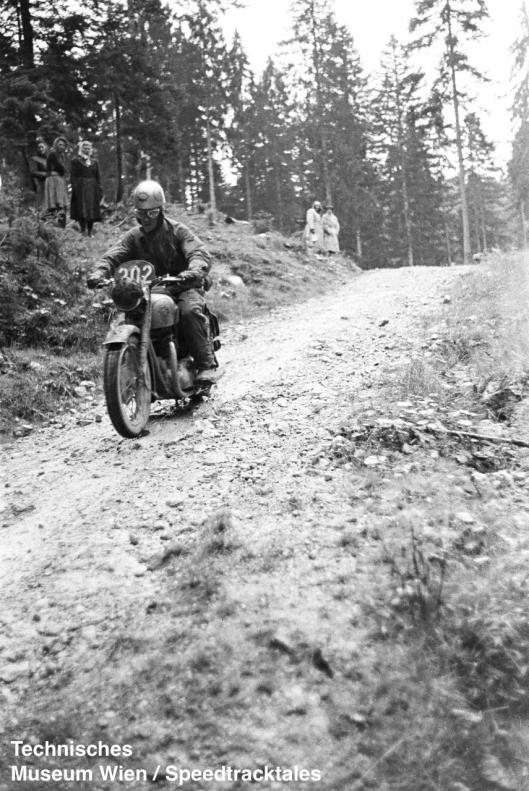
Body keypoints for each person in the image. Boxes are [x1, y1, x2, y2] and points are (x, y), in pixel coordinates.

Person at [86, 179, 219, 384]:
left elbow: (198, 252)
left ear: (161, 210)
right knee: (130, 314)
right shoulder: (133, 237)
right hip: (149, 290)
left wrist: (194, 271)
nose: (146, 218)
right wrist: (98, 272)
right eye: (141, 213)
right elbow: (112, 255)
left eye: (152, 212)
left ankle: (205, 365)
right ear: (136, 213)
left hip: (181, 286)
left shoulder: (178, 231)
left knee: (189, 311)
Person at [70, 140, 102, 236]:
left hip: (92, 188)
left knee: (91, 209)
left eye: (89, 148)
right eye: (85, 148)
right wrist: (75, 187)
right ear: (81, 149)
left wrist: (99, 188)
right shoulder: (75, 161)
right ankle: (83, 230)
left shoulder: (94, 162)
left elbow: (98, 176)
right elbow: (73, 176)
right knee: (81, 208)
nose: (87, 150)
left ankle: (90, 231)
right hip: (80, 187)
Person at [43, 136, 69, 227]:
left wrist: (63, 171)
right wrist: (63, 170)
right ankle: (51, 223)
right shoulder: (53, 154)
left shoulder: (62, 156)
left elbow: (63, 170)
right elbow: (60, 168)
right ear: (56, 145)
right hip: (53, 180)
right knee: (53, 201)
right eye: (60, 144)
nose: (62, 146)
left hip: (59, 180)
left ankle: (61, 225)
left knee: (60, 203)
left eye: (63, 145)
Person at [29, 138, 48, 211]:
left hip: (50, 183)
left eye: (42, 147)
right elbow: (33, 172)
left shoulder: (49, 158)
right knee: (41, 203)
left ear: (45, 147)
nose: (40, 149)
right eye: (39, 147)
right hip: (40, 183)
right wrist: (46, 174)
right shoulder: (35, 158)